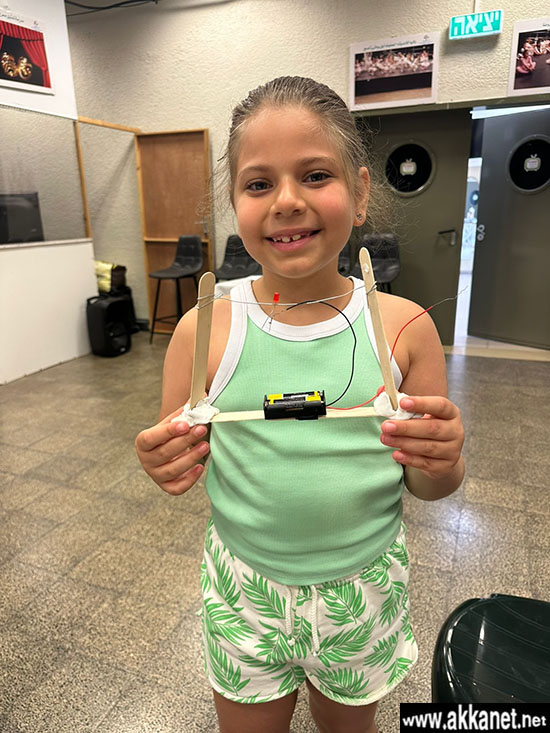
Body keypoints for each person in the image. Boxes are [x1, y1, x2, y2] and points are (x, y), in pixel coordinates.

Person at [135, 76, 465, 733]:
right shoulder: (204, 330)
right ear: (235, 204)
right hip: (244, 589)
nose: (287, 201)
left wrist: (444, 460)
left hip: (363, 589)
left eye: (315, 175)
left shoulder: (404, 327)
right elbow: (179, 465)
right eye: (258, 184)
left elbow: (430, 484)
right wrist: (162, 460)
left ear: (361, 192)